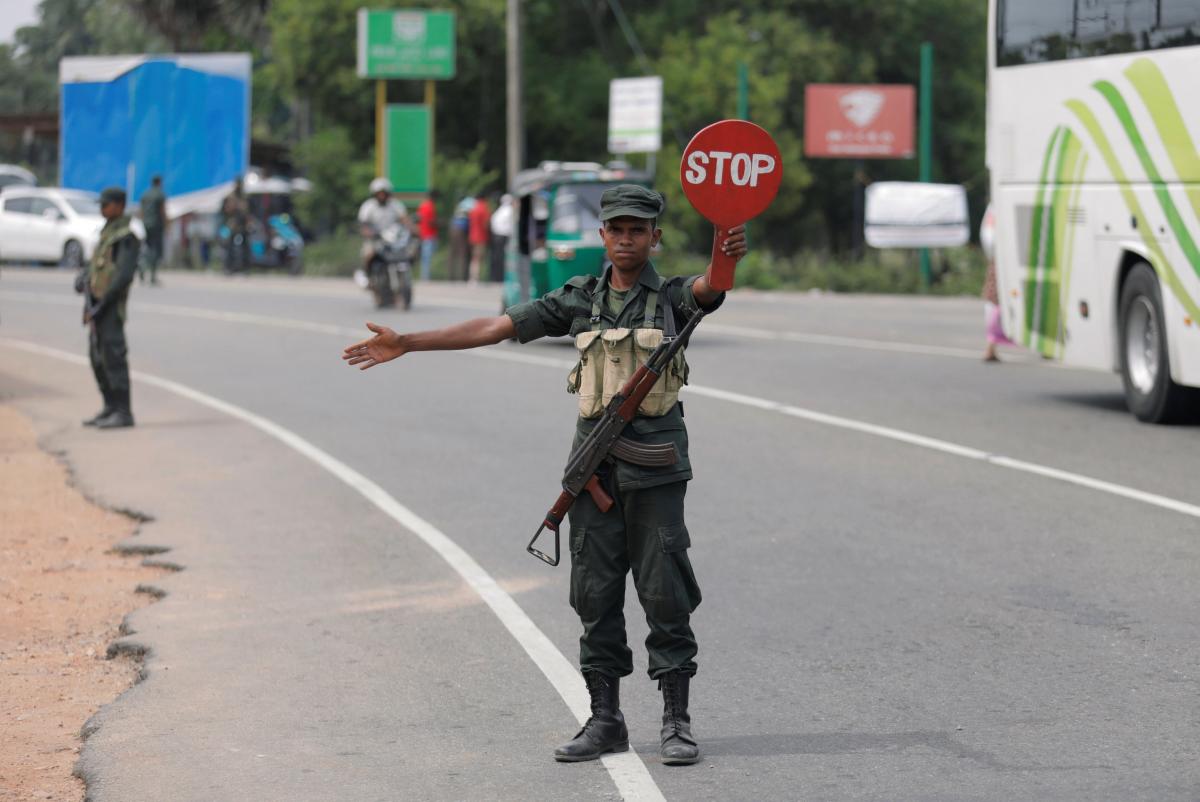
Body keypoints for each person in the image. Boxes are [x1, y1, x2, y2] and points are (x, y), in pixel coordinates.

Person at [343, 185, 748, 766]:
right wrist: (409, 342)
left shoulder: (674, 298)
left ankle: (676, 720)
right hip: (594, 477)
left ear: (655, 236)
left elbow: (713, 287)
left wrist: (725, 252)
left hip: (656, 477)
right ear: (603, 237)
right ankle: (605, 719)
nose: (628, 238)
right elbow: (497, 326)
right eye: (617, 229)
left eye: (639, 229)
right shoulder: (580, 298)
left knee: (665, 593)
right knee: (594, 596)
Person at [80, 187, 140, 429]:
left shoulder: (126, 237)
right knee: (97, 358)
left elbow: (123, 275)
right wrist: (83, 277)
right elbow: (96, 266)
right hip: (95, 305)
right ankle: (109, 406)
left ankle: (123, 411)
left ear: (119, 205)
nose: (102, 208)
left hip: (111, 307)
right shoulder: (106, 233)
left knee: (113, 357)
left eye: (106, 204)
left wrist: (105, 302)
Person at [979, 203, 1014, 362]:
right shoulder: (997, 205)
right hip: (1004, 258)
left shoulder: (995, 205)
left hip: (999, 257)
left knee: (995, 303)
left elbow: (988, 236)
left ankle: (990, 347)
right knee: (997, 303)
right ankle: (990, 348)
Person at [358, 177, 411, 272]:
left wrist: (412, 229)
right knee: (369, 253)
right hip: (375, 239)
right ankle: (367, 274)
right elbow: (363, 225)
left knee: (408, 252)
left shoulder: (395, 205)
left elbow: (404, 219)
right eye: (379, 193)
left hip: (392, 239)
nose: (382, 196)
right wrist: (368, 233)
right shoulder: (368, 206)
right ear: (375, 194)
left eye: (384, 193)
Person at [138, 175, 167, 285]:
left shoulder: (145, 194)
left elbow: (141, 211)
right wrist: (166, 224)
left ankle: (142, 266)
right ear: (159, 182)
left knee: (147, 247)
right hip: (156, 224)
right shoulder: (160, 194)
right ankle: (152, 276)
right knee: (155, 249)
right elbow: (162, 211)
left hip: (145, 224)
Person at [220, 177, 251, 273]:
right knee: (229, 247)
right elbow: (226, 210)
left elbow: (247, 212)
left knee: (243, 248)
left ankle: (243, 268)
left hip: (242, 226)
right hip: (232, 226)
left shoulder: (244, 197)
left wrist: (248, 222)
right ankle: (229, 267)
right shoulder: (231, 197)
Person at [448, 195, 475, 282]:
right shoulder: (470, 202)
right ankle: (463, 277)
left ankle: (451, 276)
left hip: (453, 228)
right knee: (463, 253)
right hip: (462, 229)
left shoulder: (459, 206)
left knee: (452, 253)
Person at [467, 191, 491, 284]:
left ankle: (473, 277)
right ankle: (475, 278)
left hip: (472, 235)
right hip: (481, 236)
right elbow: (486, 223)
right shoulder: (483, 207)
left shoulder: (473, 208)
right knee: (478, 258)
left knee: (474, 258)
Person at [489, 193, 514, 282]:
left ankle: (494, 277)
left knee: (496, 257)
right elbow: (511, 226)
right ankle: (500, 277)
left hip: (496, 236)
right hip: (503, 236)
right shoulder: (509, 210)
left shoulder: (499, 210)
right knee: (502, 258)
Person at [416, 189, 439, 282]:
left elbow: (419, 219)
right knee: (427, 257)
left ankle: (424, 276)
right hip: (429, 234)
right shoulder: (430, 206)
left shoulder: (422, 205)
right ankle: (425, 277)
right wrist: (439, 223)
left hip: (423, 234)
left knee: (425, 257)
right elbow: (431, 222)